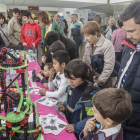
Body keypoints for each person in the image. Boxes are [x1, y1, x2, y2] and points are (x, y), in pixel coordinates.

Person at [115, 1, 140, 140]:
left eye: (131, 31)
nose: (127, 35)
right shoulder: (129, 45)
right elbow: (123, 78)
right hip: (122, 119)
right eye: (126, 31)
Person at [59, 59, 100, 139]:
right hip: (68, 124)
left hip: (79, 132)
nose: (70, 81)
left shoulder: (89, 96)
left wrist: (77, 127)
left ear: (83, 77)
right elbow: (69, 100)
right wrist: (64, 106)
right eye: (68, 78)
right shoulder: (70, 88)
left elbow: (92, 118)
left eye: (73, 79)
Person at [82, 21, 116, 89]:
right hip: (92, 79)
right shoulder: (88, 45)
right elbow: (85, 62)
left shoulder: (107, 45)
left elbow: (108, 67)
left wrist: (99, 81)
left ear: (95, 33)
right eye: (84, 36)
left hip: (105, 81)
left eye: (88, 36)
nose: (86, 39)